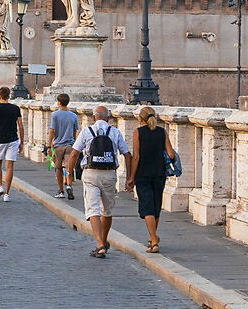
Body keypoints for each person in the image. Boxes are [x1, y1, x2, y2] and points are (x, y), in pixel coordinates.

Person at [77, 105, 129, 257]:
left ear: (94, 118)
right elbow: (127, 154)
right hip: (109, 174)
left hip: (90, 173)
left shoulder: (87, 131)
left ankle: (100, 244)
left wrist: (69, 176)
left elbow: (74, 152)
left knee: (93, 210)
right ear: (108, 118)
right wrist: (130, 177)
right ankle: (104, 241)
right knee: (107, 211)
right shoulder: (115, 132)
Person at [130, 104, 172, 253]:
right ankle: (152, 237)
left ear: (140, 118)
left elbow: (136, 157)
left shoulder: (138, 132)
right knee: (155, 207)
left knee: (147, 208)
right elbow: (171, 154)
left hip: (143, 173)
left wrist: (131, 177)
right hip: (159, 174)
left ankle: (154, 241)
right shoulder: (162, 132)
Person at [0, 87, 22, 203]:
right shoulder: (15, 109)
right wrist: (22, 142)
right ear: (9, 96)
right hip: (13, 139)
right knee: (9, 166)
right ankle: (7, 194)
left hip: (0, 139)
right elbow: (21, 126)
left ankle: (0, 187)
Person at [48, 94, 80, 200]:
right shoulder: (73, 116)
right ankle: (69, 185)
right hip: (70, 144)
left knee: (58, 168)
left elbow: (52, 131)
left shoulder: (54, 115)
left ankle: (61, 190)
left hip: (58, 145)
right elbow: (75, 131)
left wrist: (48, 145)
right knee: (69, 167)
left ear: (59, 102)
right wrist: (74, 143)